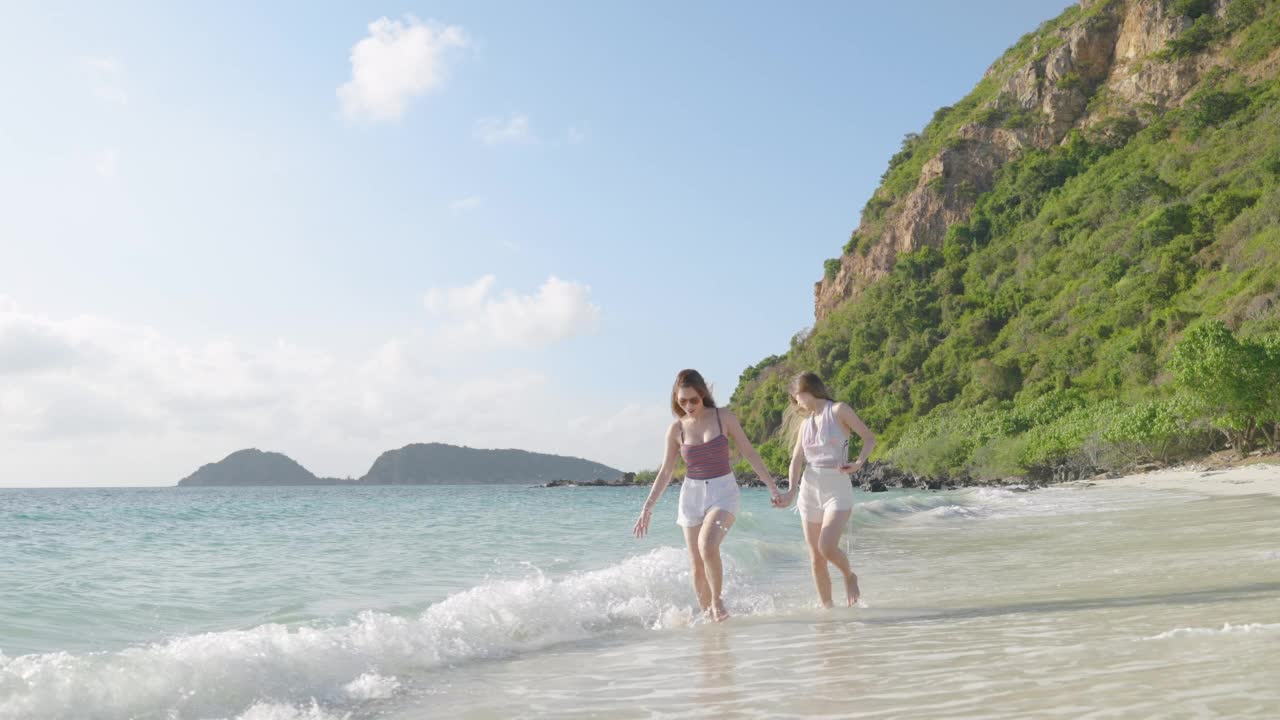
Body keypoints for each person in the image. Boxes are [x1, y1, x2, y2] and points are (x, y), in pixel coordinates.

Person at [632, 368, 784, 621]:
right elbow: (666, 471)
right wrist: (647, 507)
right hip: (691, 496)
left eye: (693, 399)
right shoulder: (676, 430)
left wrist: (771, 486)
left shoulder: (723, 417)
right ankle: (709, 622)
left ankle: (717, 601)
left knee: (707, 545)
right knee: (696, 565)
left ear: (702, 394)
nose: (688, 406)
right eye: (682, 401)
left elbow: (749, 452)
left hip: (723, 491)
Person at [776, 372, 876, 608]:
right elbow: (797, 460)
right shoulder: (805, 425)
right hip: (810, 490)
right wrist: (791, 491)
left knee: (827, 547)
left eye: (796, 396)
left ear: (806, 390)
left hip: (837, 488)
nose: (796, 402)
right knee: (816, 559)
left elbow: (869, 438)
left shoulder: (839, 410)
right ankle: (828, 611)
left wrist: (859, 463)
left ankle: (849, 575)